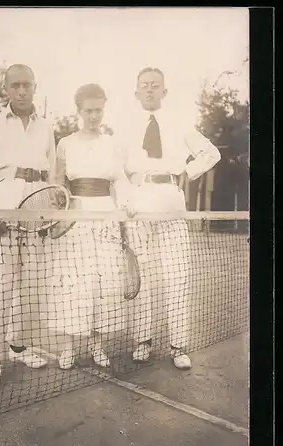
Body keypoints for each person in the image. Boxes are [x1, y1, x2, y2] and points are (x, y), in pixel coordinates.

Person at [120, 67, 221, 367]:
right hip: (138, 203)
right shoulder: (125, 127)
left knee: (177, 276)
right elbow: (117, 169)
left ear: (165, 91)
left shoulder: (180, 124)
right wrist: (126, 199)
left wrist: (186, 174)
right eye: (144, 85)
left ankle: (179, 346)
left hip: (171, 201)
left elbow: (211, 153)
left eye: (155, 85)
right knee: (143, 277)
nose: (150, 90)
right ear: (136, 92)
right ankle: (143, 341)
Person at [0, 64, 56, 388]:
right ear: (6, 89)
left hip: (36, 209)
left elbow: (51, 175)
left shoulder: (46, 127)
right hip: (4, 208)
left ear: (35, 87)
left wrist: (50, 213)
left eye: (27, 85)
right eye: (15, 85)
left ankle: (18, 346)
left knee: (31, 284)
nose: (22, 91)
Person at [48, 83, 128, 370]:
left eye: (99, 110)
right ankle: (68, 348)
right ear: (79, 111)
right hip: (76, 218)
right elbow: (57, 183)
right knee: (75, 281)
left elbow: (120, 181)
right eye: (89, 110)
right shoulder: (66, 143)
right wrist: (65, 204)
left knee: (103, 281)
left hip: (106, 215)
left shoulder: (112, 143)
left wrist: (123, 209)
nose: (94, 115)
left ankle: (97, 345)